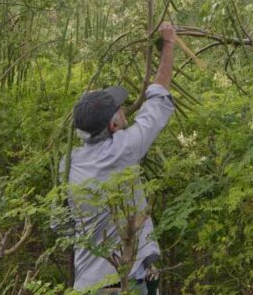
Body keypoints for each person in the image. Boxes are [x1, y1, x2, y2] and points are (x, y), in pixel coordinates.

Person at [63, 22, 177, 294]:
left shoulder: (68, 163)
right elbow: (159, 95)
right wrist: (169, 43)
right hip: (127, 280)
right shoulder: (123, 150)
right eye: (120, 109)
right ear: (113, 124)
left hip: (88, 282)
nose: (125, 109)